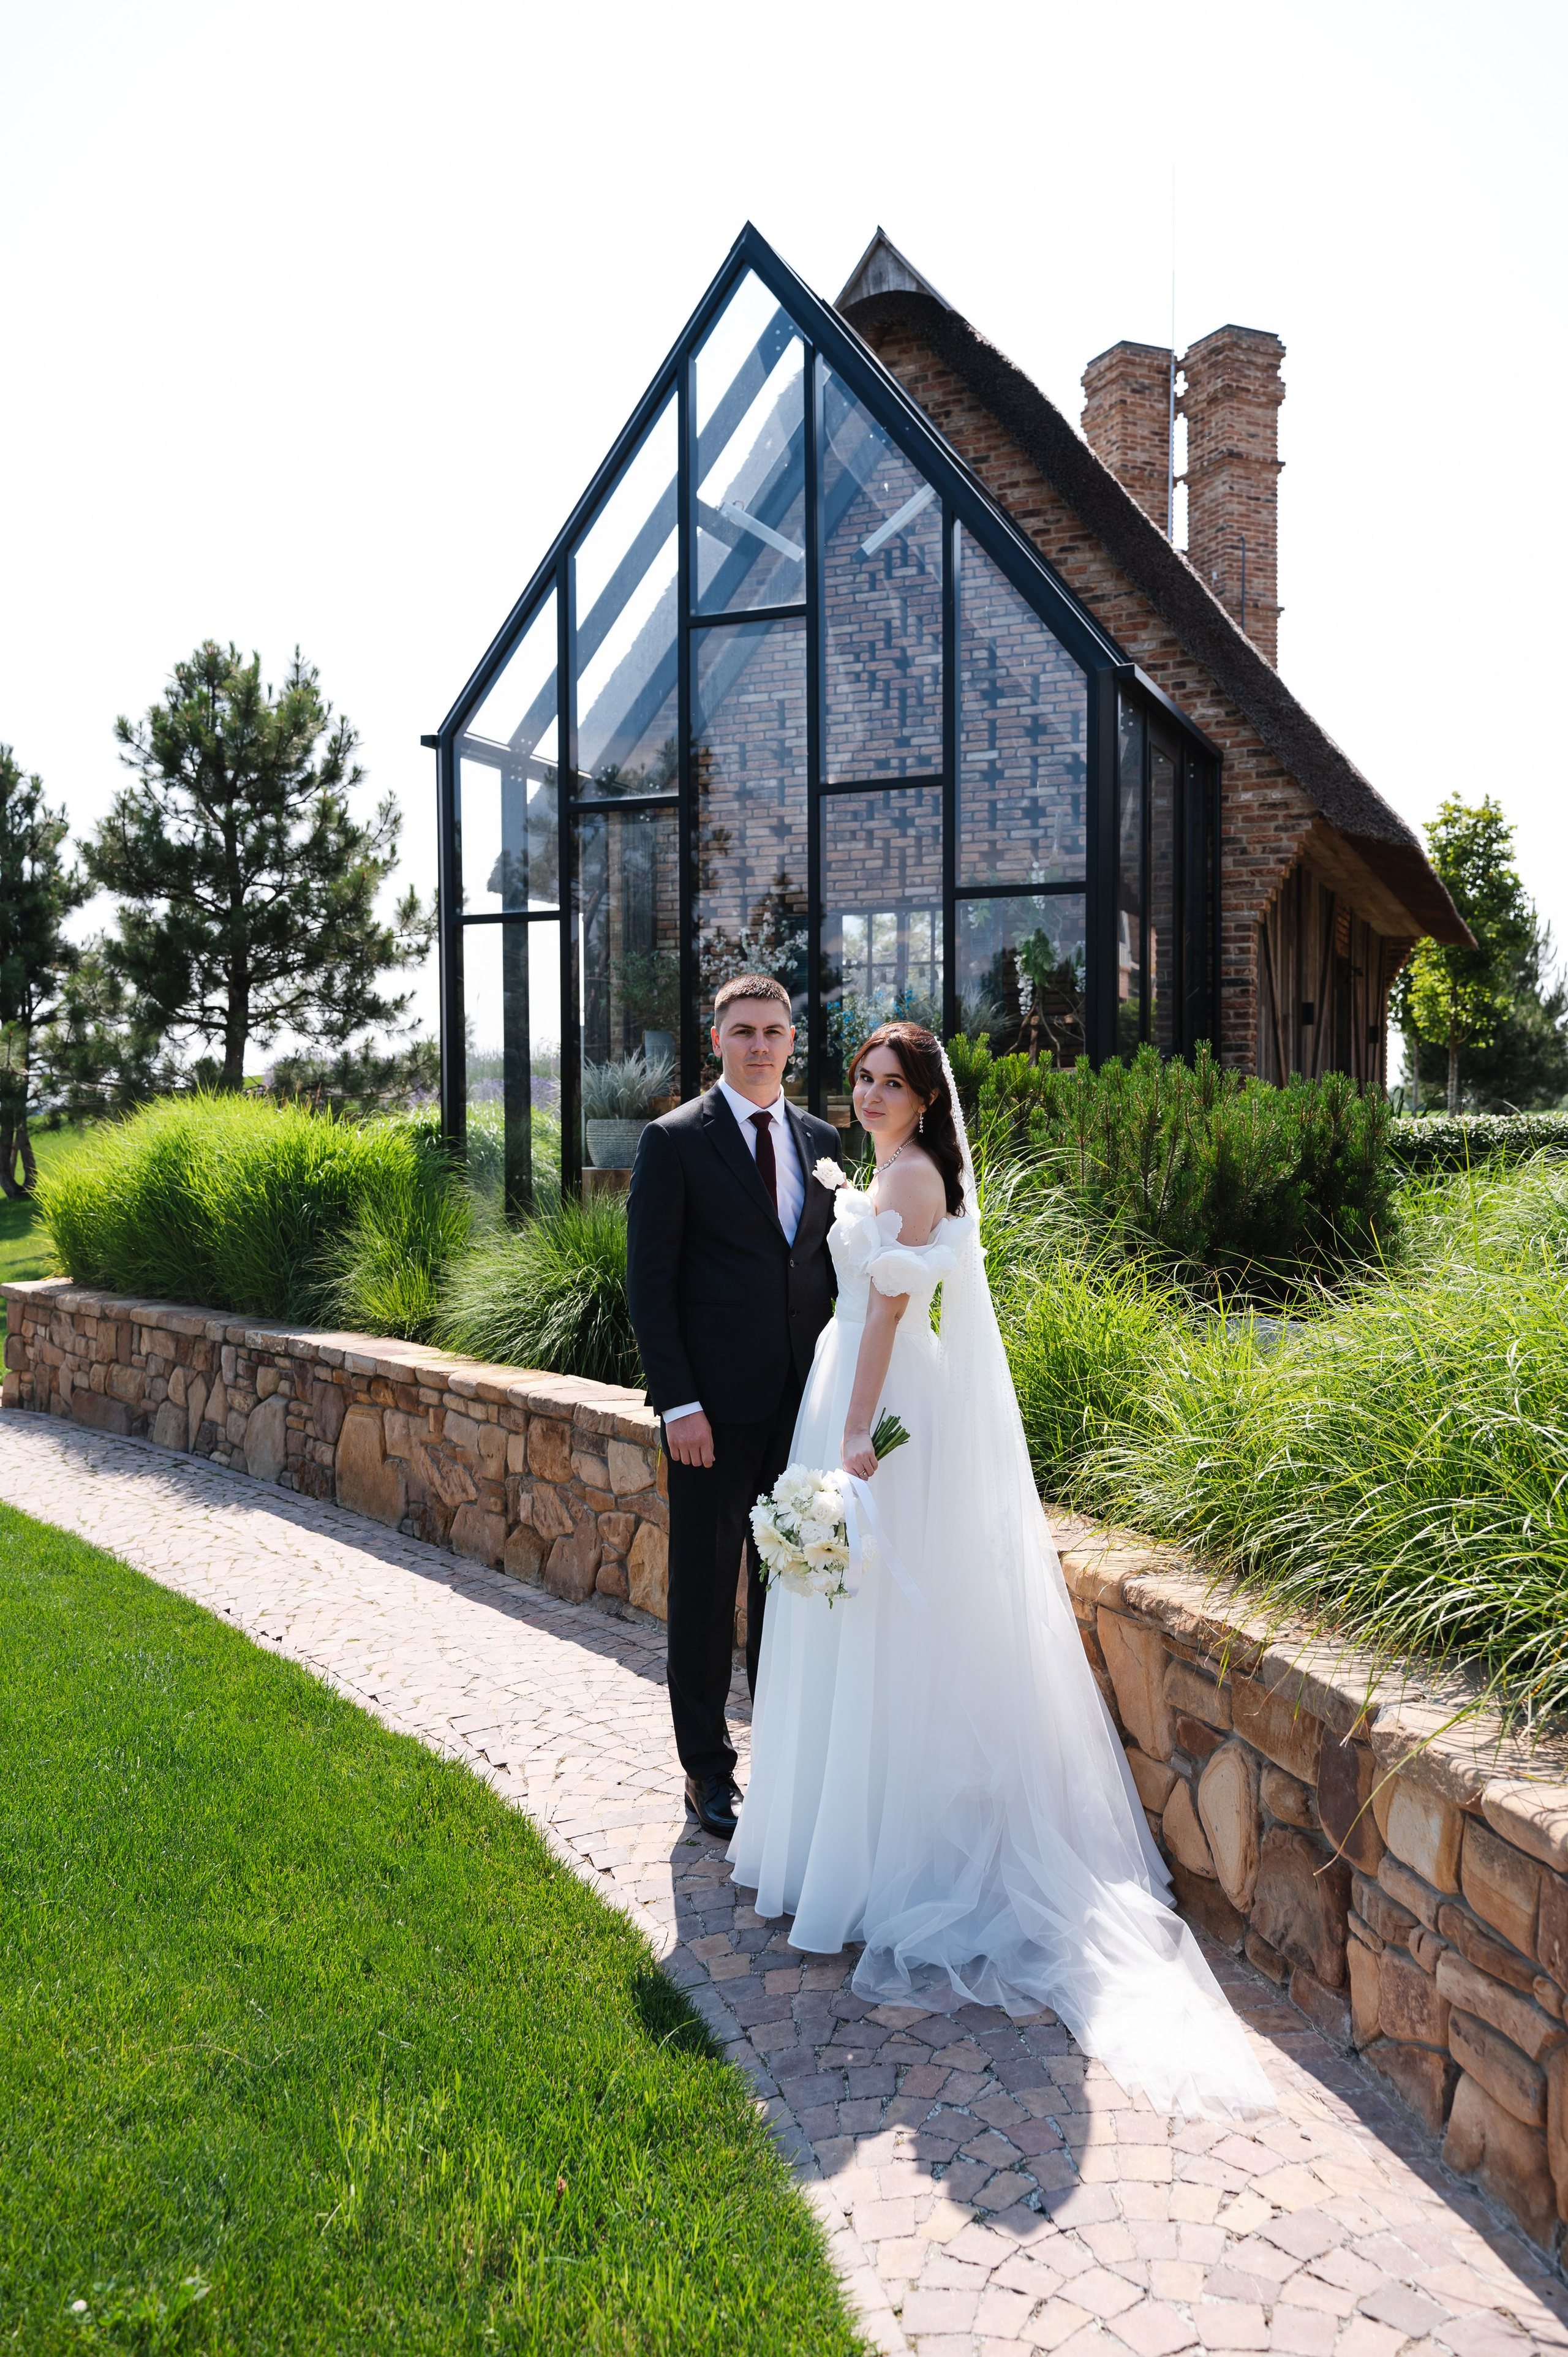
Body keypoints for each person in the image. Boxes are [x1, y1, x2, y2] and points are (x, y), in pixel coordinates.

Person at [728, 1021, 1275, 2119]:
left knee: (882, 1618)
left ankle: (888, 1857)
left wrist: (851, 1438)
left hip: (877, 1401)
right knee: (856, 1615)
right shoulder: (892, 1169)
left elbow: (883, 1311)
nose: (873, 1095)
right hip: (858, 1383)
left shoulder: (914, 1177)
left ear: (927, 1101)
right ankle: (841, 1838)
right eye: (867, 1080)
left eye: (893, 1085)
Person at [626, 975, 843, 1841]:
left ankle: (783, 1762)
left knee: (792, 1588)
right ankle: (706, 1772)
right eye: (743, 1031)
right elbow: (651, 1286)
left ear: (794, 1041)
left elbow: (822, 1271)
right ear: (716, 1040)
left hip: (805, 1408)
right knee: (710, 1591)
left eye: (774, 1031)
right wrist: (679, 1403)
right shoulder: (674, 1141)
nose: (760, 1045)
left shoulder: (824, 1139)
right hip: (712, 1416)